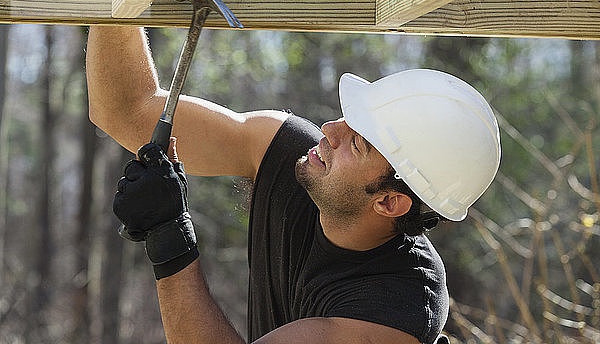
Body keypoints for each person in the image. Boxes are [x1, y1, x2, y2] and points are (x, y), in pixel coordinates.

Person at [86, 26, 501, 344]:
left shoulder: (392, 311)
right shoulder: (299, 157)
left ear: (390, 202)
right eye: (347, 119)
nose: (329, 129)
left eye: (355, 143)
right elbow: (127, 109)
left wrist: (169, 236)